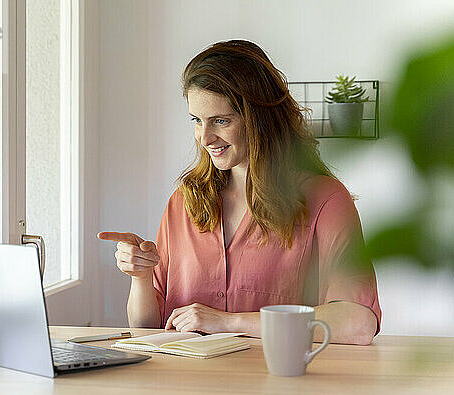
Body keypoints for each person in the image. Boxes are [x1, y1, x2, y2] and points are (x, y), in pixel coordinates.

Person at [99, 40, 381, 345]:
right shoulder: (184, 201)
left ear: (259, 118)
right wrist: (141, 276)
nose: (205, 137)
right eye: (196, 120)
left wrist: (229, 322)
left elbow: (357, 322)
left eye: (221, 120)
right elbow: (148, 328)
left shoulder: (324, 200)